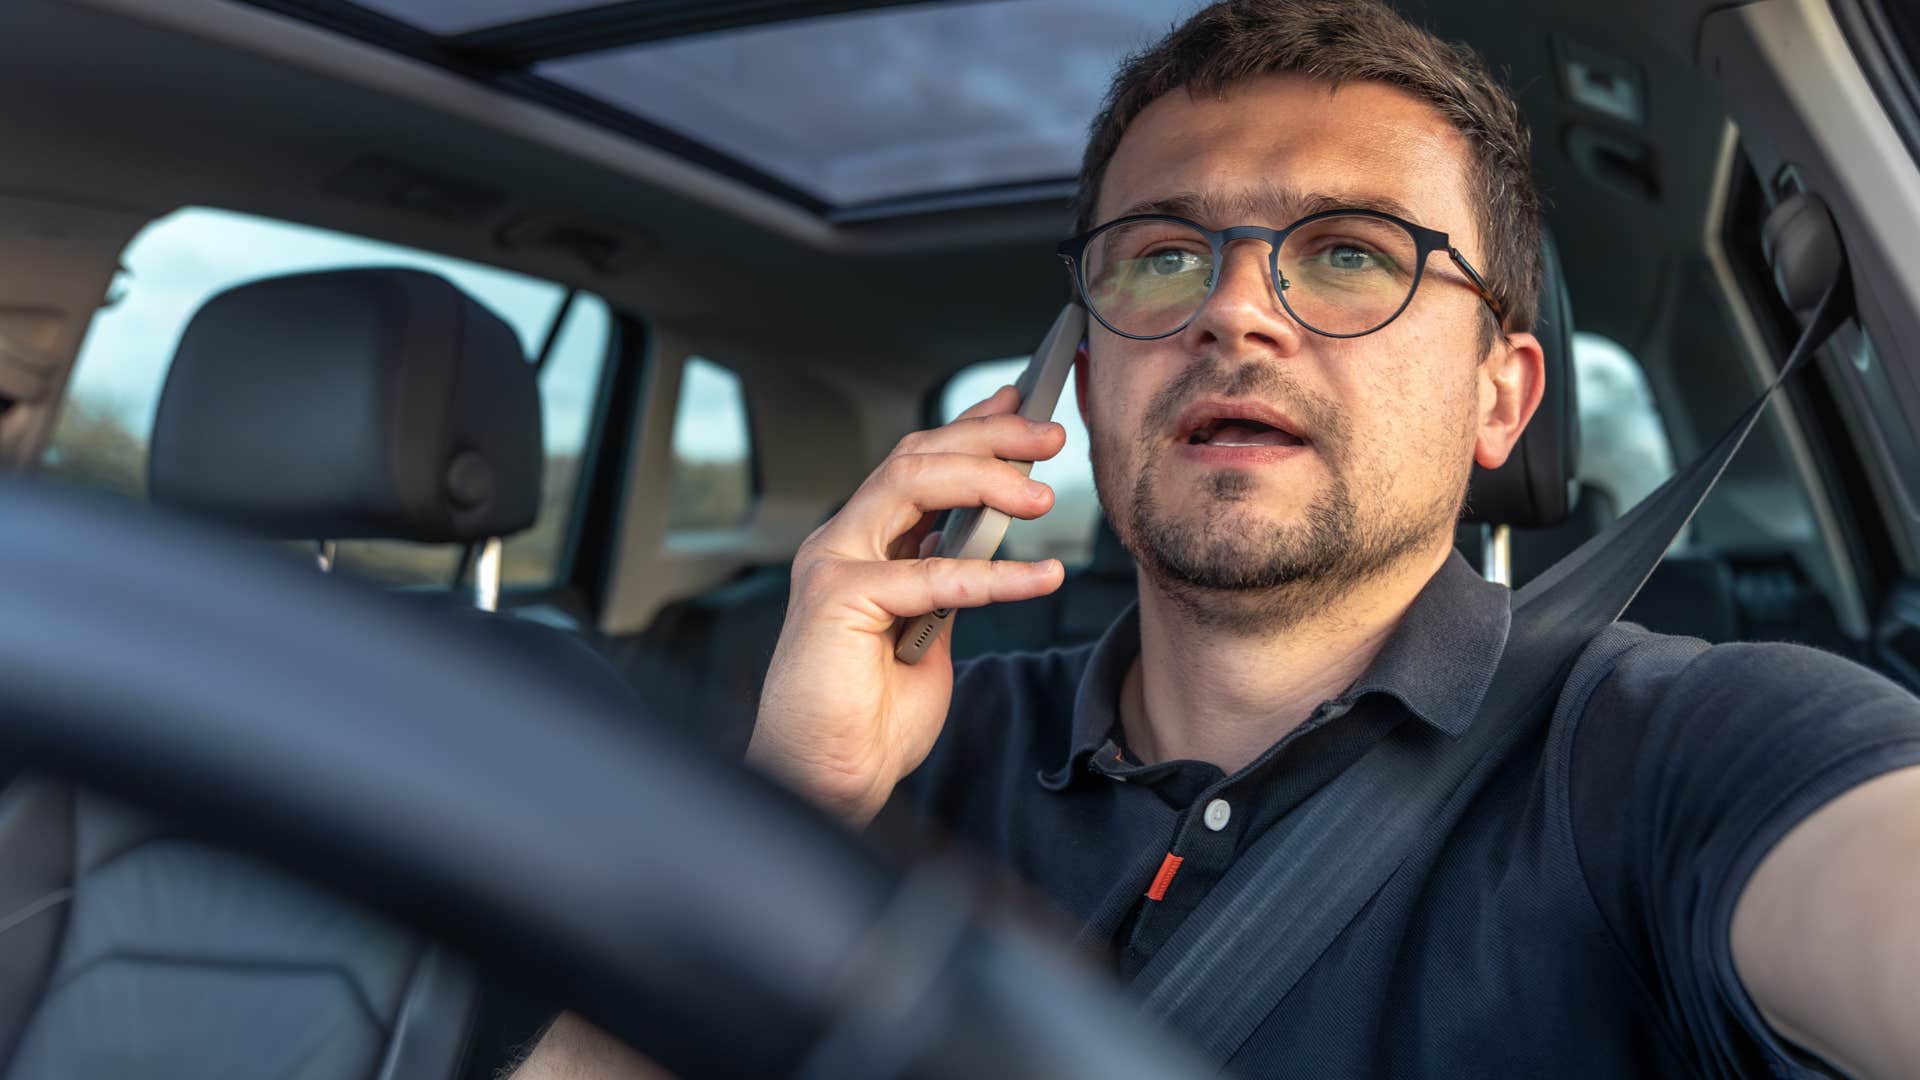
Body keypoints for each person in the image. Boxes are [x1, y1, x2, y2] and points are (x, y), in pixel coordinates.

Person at [517, 1, 1920, 1075]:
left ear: (1502, 399)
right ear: (1078, 368)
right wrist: (788, 814)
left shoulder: (1686, 747)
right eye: (1164, 255)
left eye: (1353, 252)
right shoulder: (891, 754)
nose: (1232, 313)